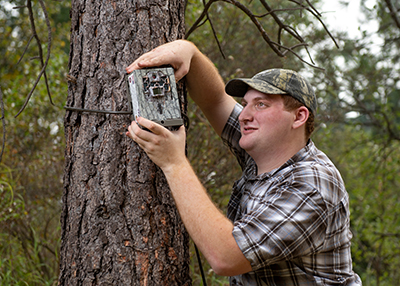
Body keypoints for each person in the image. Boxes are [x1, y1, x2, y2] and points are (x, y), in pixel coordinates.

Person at [125, 40, 362, 285]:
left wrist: (174, 163)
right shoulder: (265, 150)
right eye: (246, 104)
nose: (246, 115)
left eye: (261, 104)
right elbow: (215, 100)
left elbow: (226, 257)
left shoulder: (312, 184)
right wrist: (191, 54)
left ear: (299, 117)